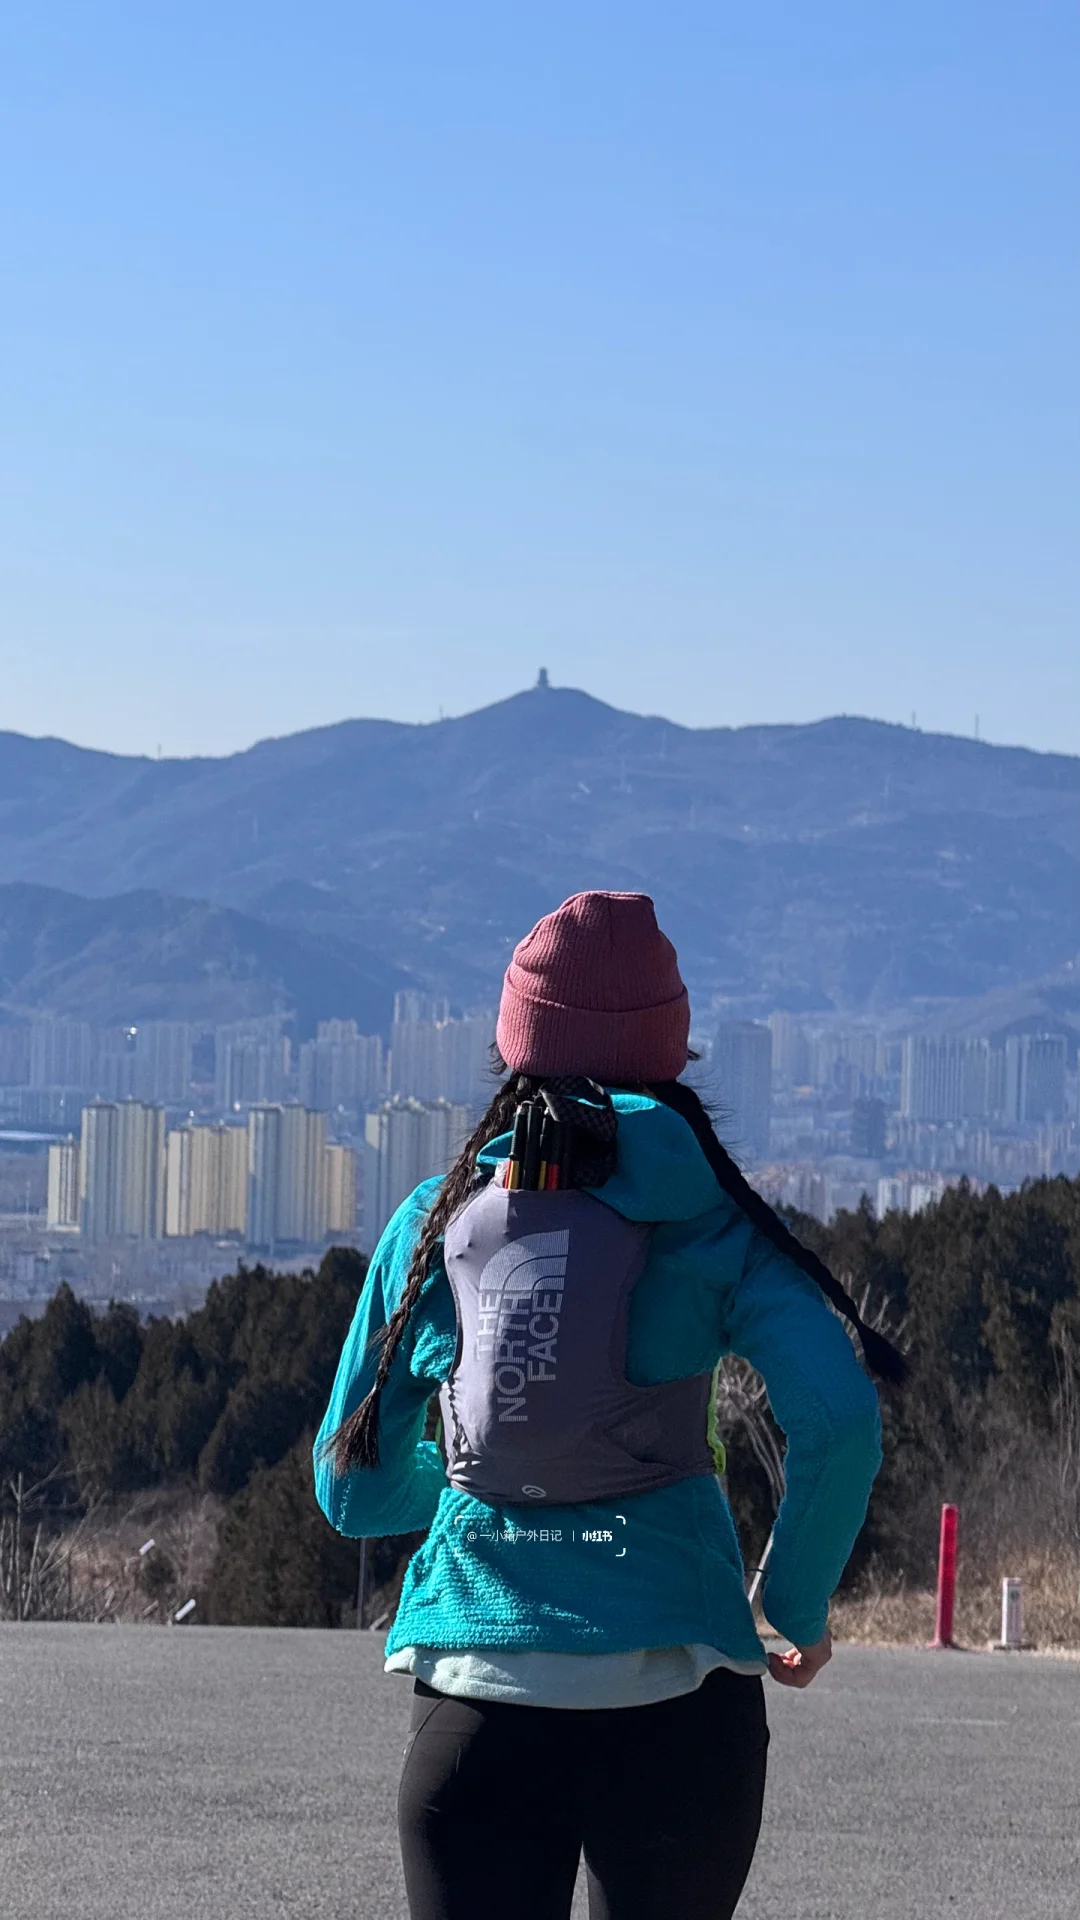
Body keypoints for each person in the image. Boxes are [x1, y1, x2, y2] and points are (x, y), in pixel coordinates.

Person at [313, 891, 900, 1920]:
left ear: (514, 1048)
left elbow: (349, 1491)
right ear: (670, 1053)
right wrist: (792, 1606)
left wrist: (477, 1483)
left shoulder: (437, 1222)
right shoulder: (715, 1223)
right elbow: (839, 1418)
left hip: (476, 1709)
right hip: (682, 1707)